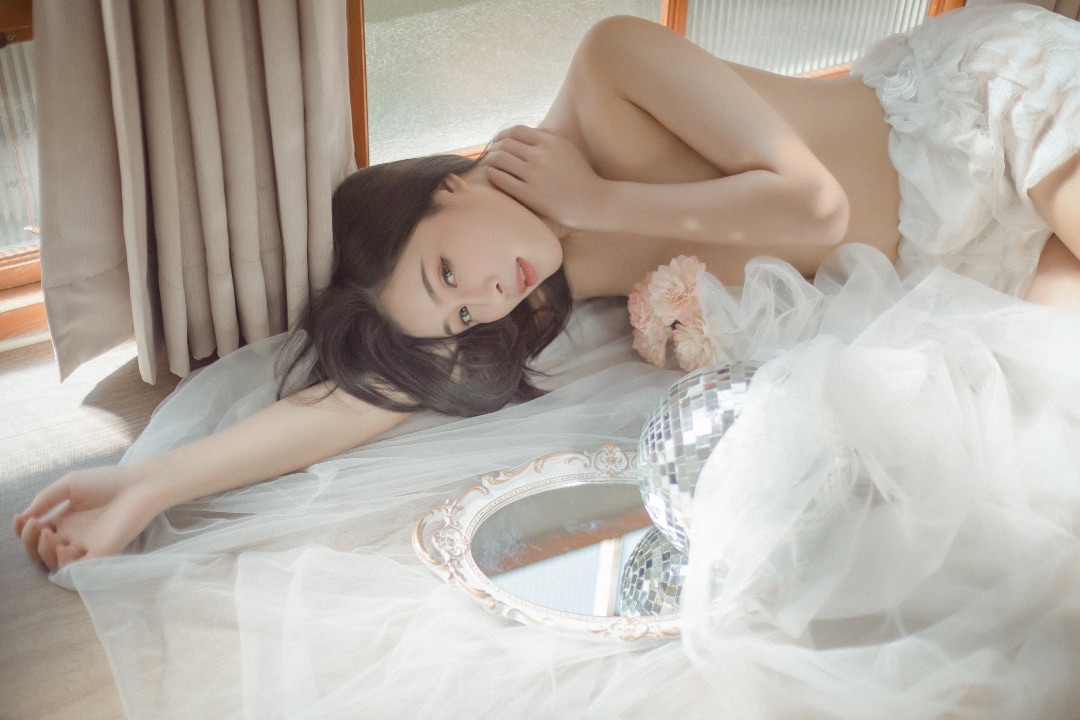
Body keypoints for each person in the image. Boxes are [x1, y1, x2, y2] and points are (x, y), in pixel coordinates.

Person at [14, 3, 1080, 575]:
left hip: (985, 115)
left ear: (448, 183)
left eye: (448, 271)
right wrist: (147, 488)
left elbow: (817, 211)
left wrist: (596, 196)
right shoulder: (533, 294)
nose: (487, 298)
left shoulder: (611, 63)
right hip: (956, 262)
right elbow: (352, 406)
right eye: (461, 314)